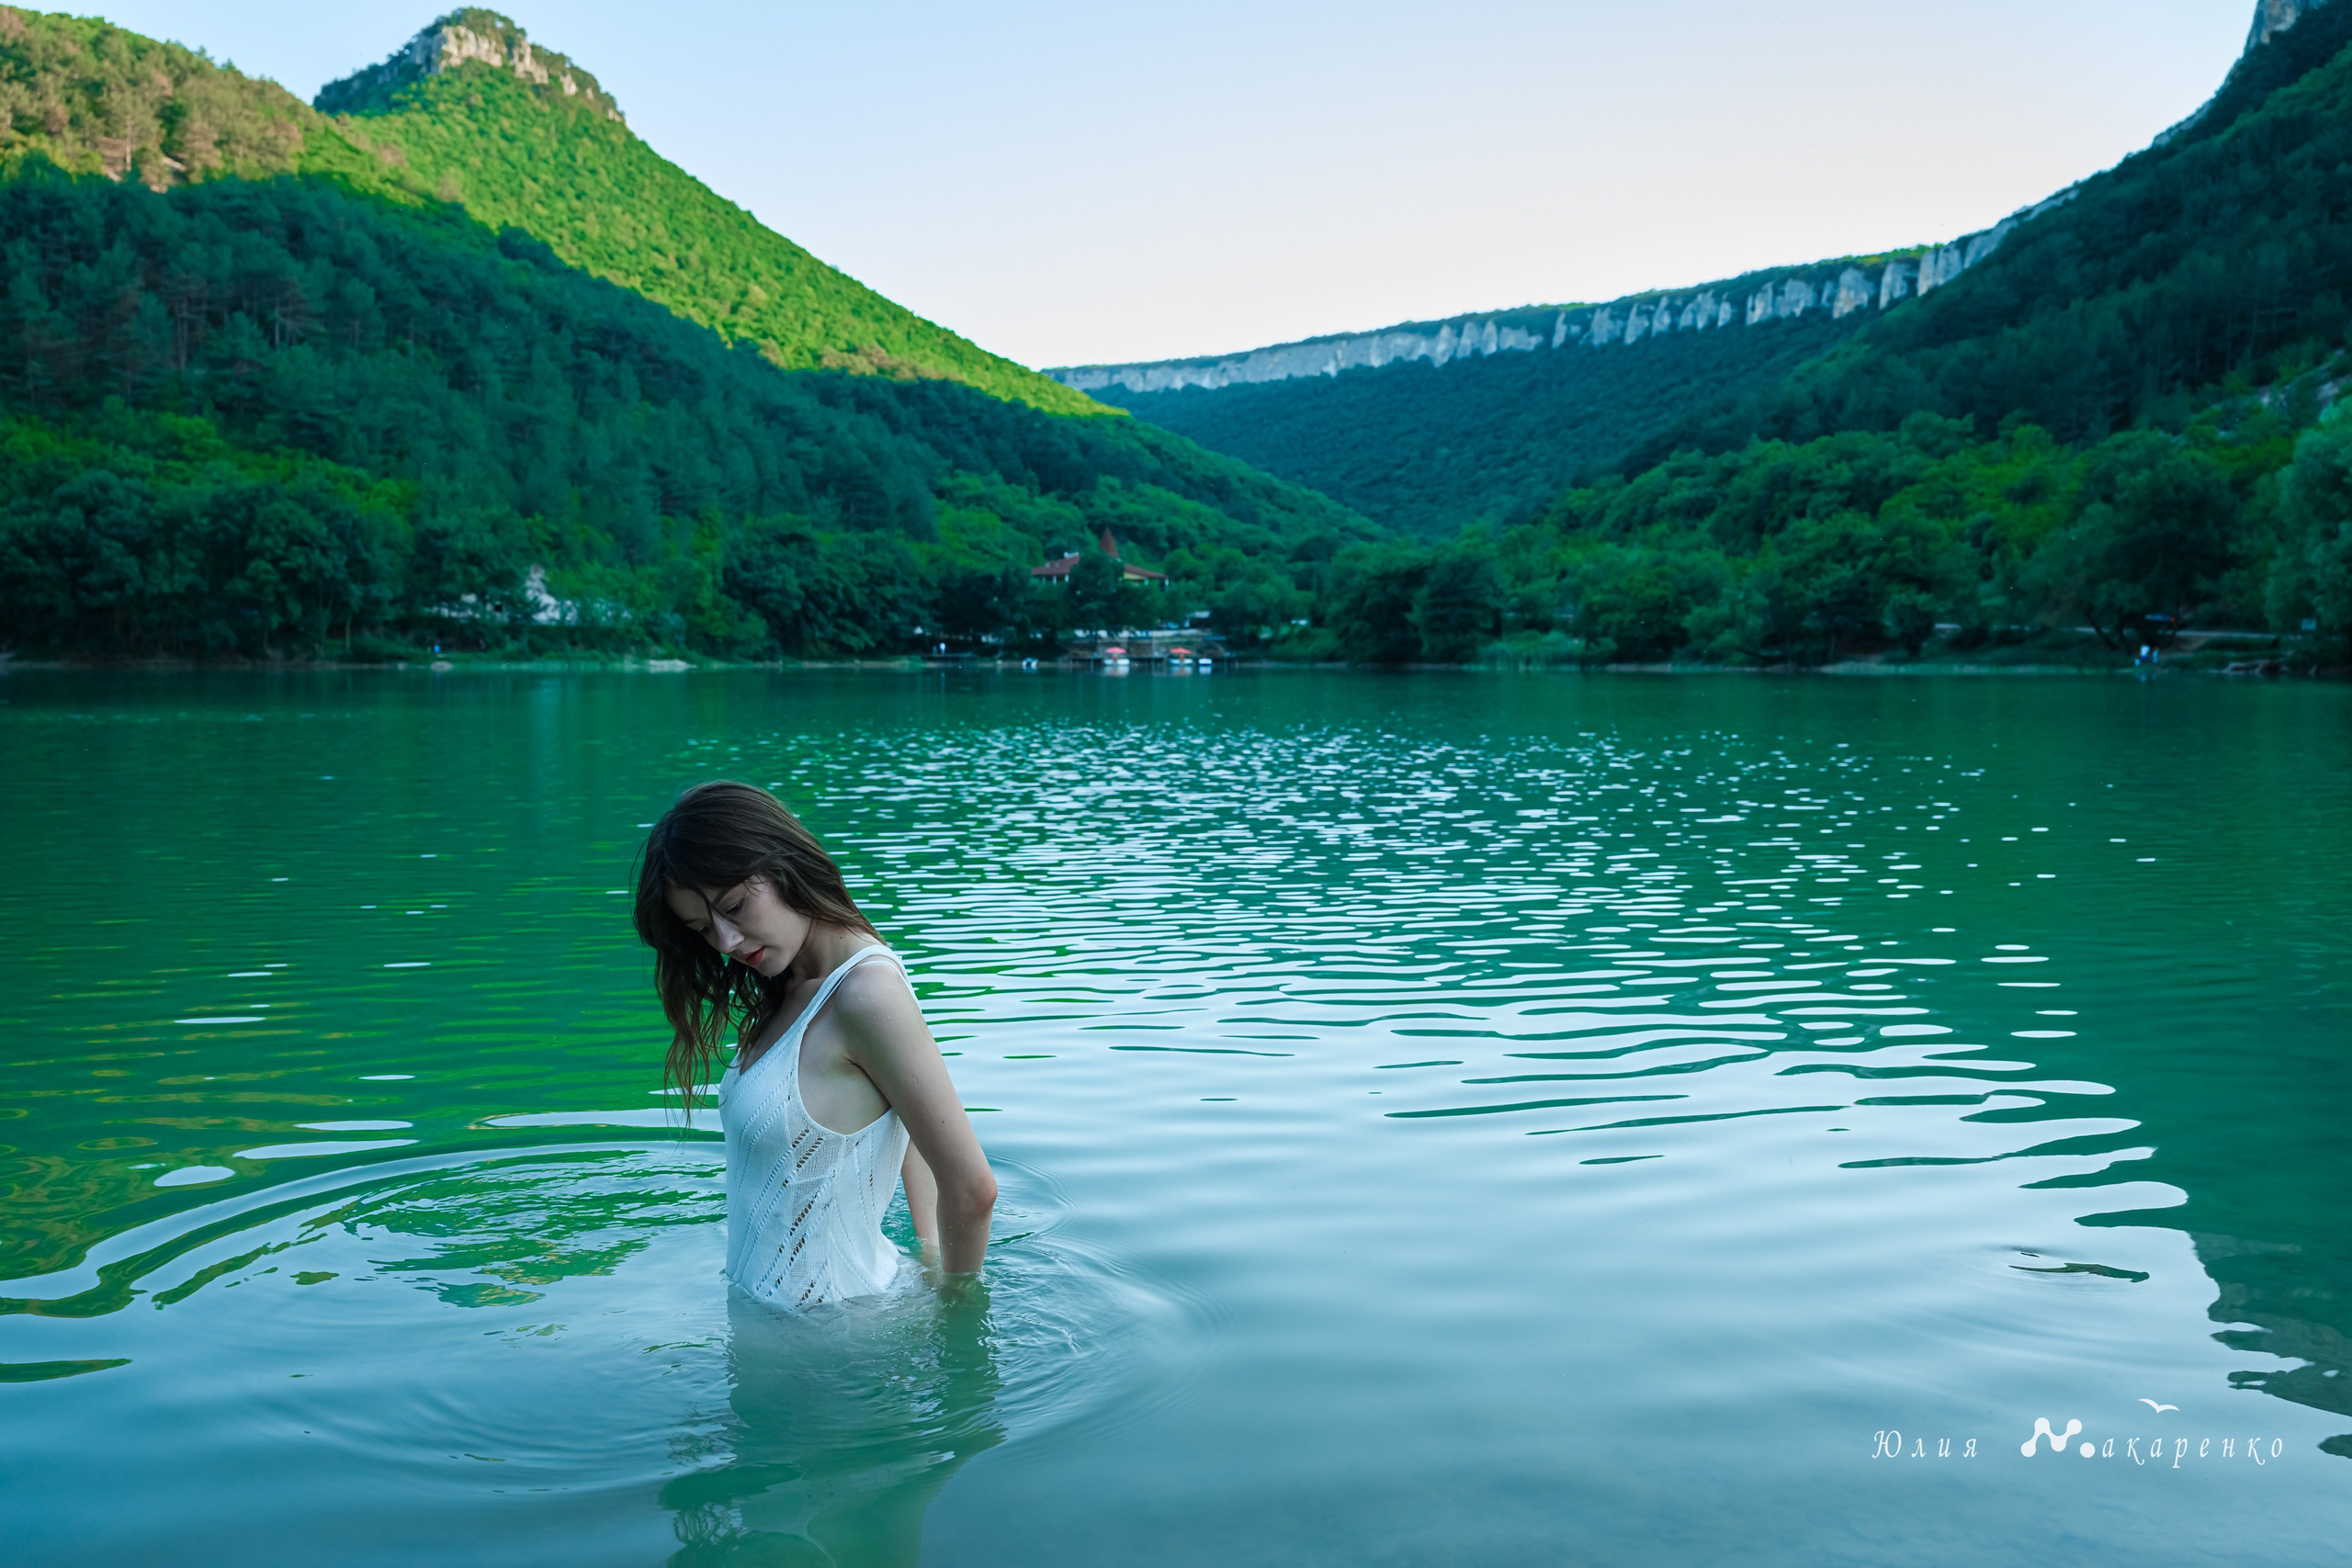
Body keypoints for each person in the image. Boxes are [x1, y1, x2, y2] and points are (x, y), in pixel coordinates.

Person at [633, 781, 996, 1309]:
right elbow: (912, 1123)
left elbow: (973, 1188)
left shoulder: (865, 992)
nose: (726, 943)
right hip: (779, 1332)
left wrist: (955, 1310)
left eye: (734, 906)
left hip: (834, 1347)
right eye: (702, 929)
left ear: (785, 865)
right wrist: (929, 1248)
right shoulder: (792, 986)